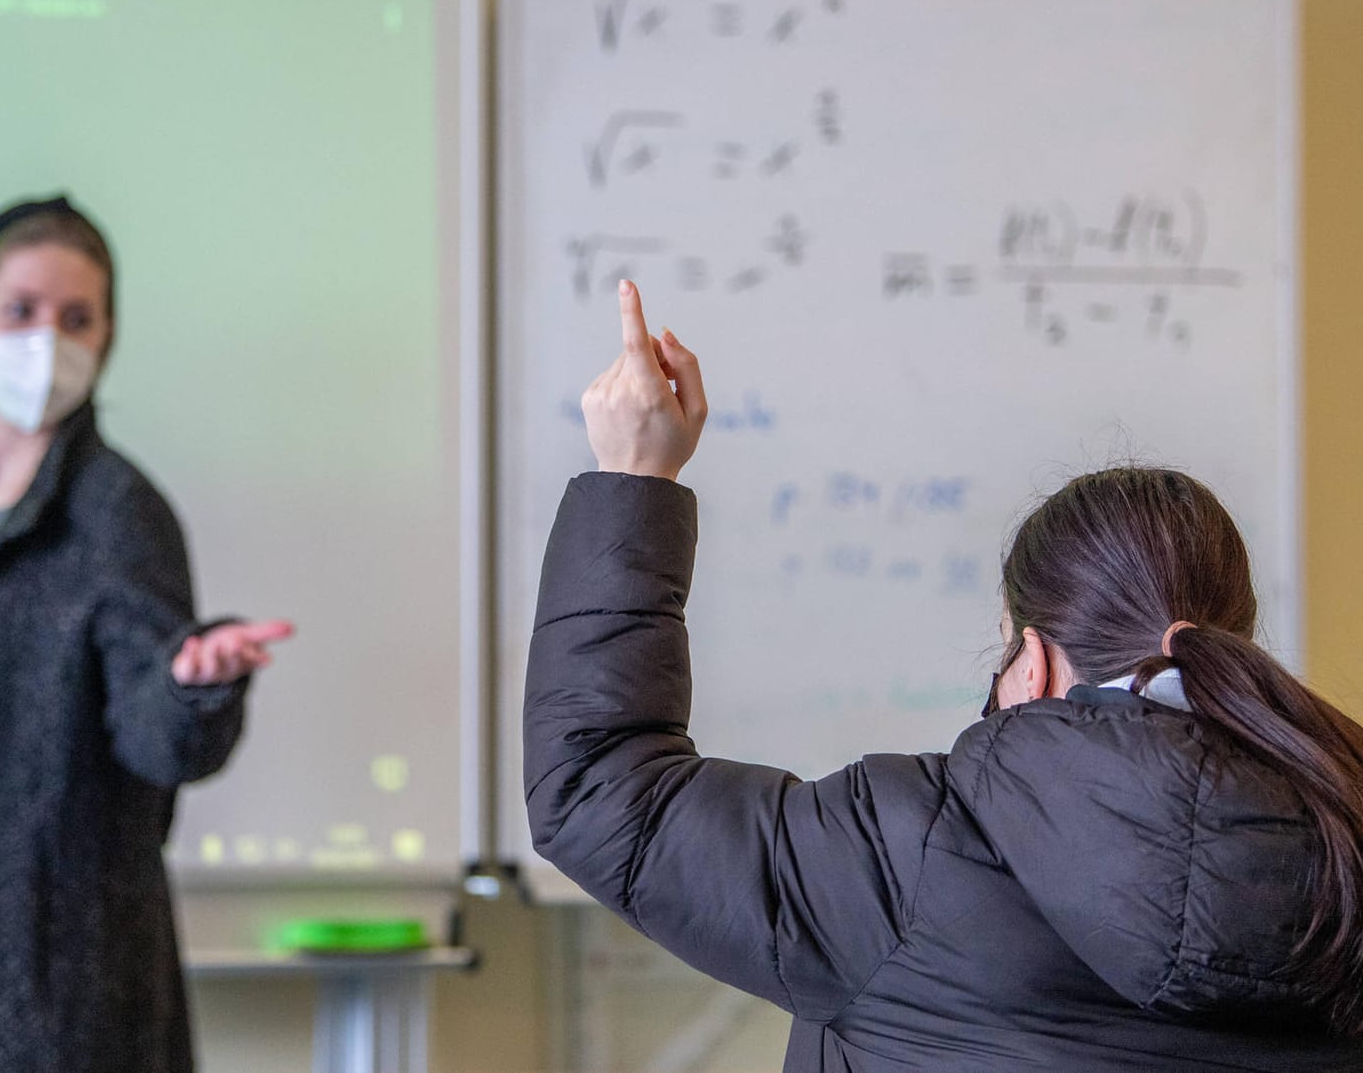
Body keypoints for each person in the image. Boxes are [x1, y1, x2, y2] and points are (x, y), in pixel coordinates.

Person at [524, 279, 1363, 1071]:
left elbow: (599, 792)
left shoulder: (910, 861)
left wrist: (635, 475)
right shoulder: (1344, 848)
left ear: (1028, 664)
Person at [0, 196, 293, 1073]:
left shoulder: (113, 513)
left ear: (107, 336)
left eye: (78, 318)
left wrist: (196, 685)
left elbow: (154, 734)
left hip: (52, 1002)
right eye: (21, 311)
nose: (48, 342)